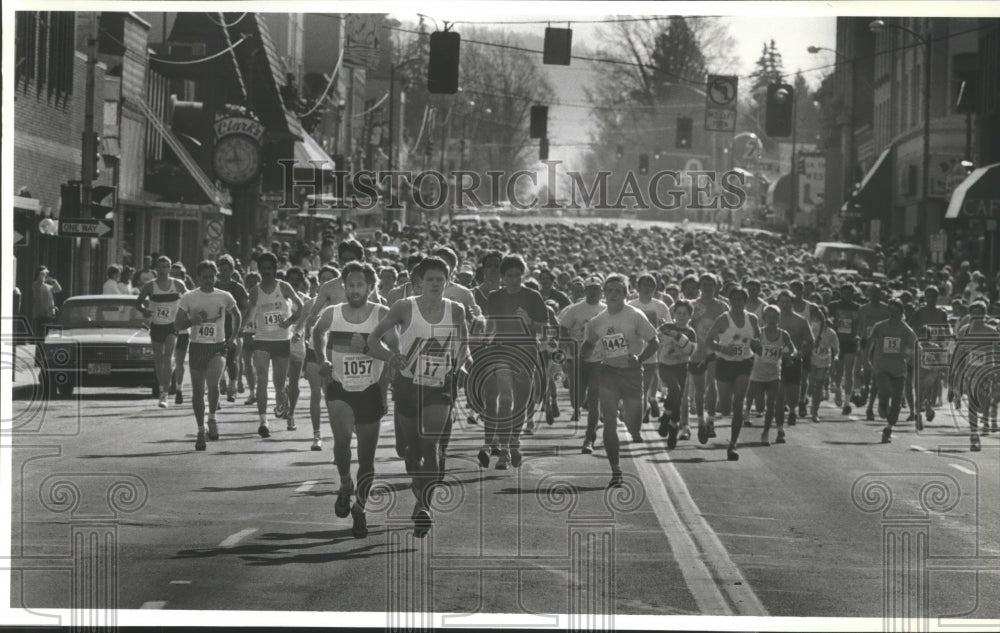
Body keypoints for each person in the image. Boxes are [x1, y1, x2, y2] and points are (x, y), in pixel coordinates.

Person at [367, 256, 468, 538]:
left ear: (447, 281)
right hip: (408, 385)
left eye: (440, 279)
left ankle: (424, 507)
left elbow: (463, 346)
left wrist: (460, 368)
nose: (436, 284)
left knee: (431, 445)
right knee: (410, 453)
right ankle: (419, 486)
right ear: (419, 282)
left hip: (439, 386)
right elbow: (372, 341)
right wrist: (392, 358)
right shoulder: (403, 307)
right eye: (430, 279)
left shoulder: (456, 310)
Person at [314, 261, 391, 538]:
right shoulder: (333, 313)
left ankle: (361, 508)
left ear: (370, 288)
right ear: (344, 286)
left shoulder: (382, 315)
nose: (354, 290)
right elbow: (317, 332)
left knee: (367, 460)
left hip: (369, 390)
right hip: (339, 387)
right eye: (350, 285)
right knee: (343, 442)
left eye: (360, 285)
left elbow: (396, 352)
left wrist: (370, 349)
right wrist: (322, 358)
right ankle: (345, 483)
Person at [580, 273, 658, 488]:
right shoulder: (598, 321)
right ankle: (616, 469)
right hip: (608, 373)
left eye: (618, 290)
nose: (613, 294)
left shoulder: (635, 315)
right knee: (610, 423)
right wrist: (581, 355)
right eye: (610, 290)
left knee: (634, 425)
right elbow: (589, 344)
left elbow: (654, 341)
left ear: (625, 293)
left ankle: (628, 413)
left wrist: (640, 359)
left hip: (632, 373)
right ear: (605, 293)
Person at [482, 254, 549, 470]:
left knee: (520, 402)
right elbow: (490, 324)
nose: (514, 279)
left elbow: (544, 329)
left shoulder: (533, 296)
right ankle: (503, 452)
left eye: (518, 275)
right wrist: (482, 343)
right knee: (506, 398)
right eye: (509, 275)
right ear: (502, 277)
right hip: (501, 351)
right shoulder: (495, 297)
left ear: (524, 275)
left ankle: (514, 442)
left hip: (526, 352)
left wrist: (529, 321)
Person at [174, 260, 241, 450]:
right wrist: (191, 321)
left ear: (216, 276)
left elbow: (237, 314)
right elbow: (177, 325)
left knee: (213, 384)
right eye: (205, 277)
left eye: (212, 277)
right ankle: (200, 430)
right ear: (198, 278)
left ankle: (212, 417)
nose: (209, 280)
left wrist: (233, 337)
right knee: (197, 392)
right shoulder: (189, 297)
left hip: (217, 347)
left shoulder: (224, 296)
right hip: (197, 347)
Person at [246, 251, 304, 438]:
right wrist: (241, 330)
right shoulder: (255, 291)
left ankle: (281, 397)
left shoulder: (284, 287)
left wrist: (289, 322)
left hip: (281, 340)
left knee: (279, 382)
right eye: (263, 269)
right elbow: (250, 313)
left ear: (275, 269)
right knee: (262, 379)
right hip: (262, 339)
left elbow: (301, 306)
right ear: (259, 270)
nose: (266, 272)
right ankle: (263, 421)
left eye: (270, 269)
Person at [704, 286, 759, 461]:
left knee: (738, 404)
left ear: (745, 301)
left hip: (744, 363)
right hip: (724, 363)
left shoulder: (753, 319)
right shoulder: (723, 319)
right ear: (729, 301)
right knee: (726, 407)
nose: (737, 303)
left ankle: (733, 444)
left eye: (740, 300)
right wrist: (722, 348)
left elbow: (756, 341)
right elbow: (708, 341)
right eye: (733, 299)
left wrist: (760, 347)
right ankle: (709, 420)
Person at [558, 276, 605, 449]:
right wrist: (567, 346)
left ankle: (589, 437)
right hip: (578, 359)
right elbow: (563, 328)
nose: (593, 291)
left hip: (599, 360)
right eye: (590, 288)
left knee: (594, 397)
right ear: (585, 291)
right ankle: (580, 402)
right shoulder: (575, 309)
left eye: (596, 288)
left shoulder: (607, 309)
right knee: (576, 400)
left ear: (601, 291)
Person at [136, 256, 187, 407]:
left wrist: (183, 314)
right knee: (158, 359)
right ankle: (161, 389)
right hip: (156, 325)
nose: (163, 269)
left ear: (170, 269)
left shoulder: (177, 284)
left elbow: (189, 298)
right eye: (161, 266)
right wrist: (144, 311)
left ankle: (165, 394)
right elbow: (138, 303)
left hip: (172, 325)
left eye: (166, 266)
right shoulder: (150, 286)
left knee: (167, 357)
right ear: (156, 269)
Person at [866, 299, 917, 444]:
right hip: (881, 366)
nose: (894, 314)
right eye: (891, 311)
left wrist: (905, 353)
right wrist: (866, 359)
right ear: (888, 311)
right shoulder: (880, 327)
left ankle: (888, 428)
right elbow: (870, 341)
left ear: (902, 313)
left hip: (898, 369)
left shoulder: (906, 330)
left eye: (897, 312)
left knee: (896, 401)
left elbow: (913, 346)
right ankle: (882, 402)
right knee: (885, 390)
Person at [748, 305, 797, 446]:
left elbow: (793, 349)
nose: (772, 319)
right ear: (764, 318)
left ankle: (766, 432)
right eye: (769, 317)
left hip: (774, 374)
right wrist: (756, 349)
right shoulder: (760, 332)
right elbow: (751, 346)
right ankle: (762, 417)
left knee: (772, 404)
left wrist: (788, 356)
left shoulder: (783, 334)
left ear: (779, 319)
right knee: (759, 406)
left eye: (775, 317)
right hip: (757, 374)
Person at [629, 273, 672, 424]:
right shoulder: (631, 305)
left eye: (651, 285)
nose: (648, 288)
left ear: (655, 288)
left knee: (643, 387)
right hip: (633, 351)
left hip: (652, 351)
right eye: (645, 285)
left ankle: (638, 423)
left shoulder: (660, 306)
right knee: (634, 389)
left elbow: (670, 327)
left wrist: (662, 333)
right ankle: (645, 406)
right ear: (638, 287)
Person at [656, 300, 697, 449]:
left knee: (677, 399)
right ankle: (668, 419)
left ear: (690, 316)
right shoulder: (666, 327)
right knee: (675, 390)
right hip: (665, 365)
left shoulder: (691, 332)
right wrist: (661, 331)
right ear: (673, 314)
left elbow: (691, 351)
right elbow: (656, 338)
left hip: (681, 367)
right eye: (678, 313)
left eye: (684, 314)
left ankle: (671, 425)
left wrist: (677, 336)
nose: (681, 316)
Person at [776, 291, 814, 434]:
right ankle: (780, 422)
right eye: (782, 302)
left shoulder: (801, 321)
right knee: (779, 392)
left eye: (787, 302)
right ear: (778, 302)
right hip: (776, 360)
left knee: (793, 393)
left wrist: (800, 353)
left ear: (792, 303)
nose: (785, 305)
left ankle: (792, 410)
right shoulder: (773, 319)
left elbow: (811, 341)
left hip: (794, 360)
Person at [215, 255, 250, 403]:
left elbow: (246, 307)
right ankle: (220, 381)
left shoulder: (237, 288)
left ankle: (232, 387)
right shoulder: (214, 286)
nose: (223, 273)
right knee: (215, 358)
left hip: (233, 327)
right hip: (216, 327)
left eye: (226, 270)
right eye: (221, 270)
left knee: (231, 359)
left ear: (231, 270)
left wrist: (240, 324)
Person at [282, 267, 311, 434]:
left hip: (298, 343)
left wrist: (299, 332)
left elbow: (306, 322)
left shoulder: (306, 300)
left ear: (301, 282)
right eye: (290, 279)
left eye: (296, 280)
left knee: (293, 382)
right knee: (281, 380)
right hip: (280, 341)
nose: (293, 282)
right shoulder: (280, 299)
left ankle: (291, 414)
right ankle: (283, 398)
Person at [827, 283, 862, 414]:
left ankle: (847, 402)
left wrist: (858, 335)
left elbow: (861, 324)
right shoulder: (833, 306)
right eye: (844, 293)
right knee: (838, 370)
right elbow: (827, 321)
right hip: (837, 341)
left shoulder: (858, 308)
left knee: (849, 371)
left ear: (853, 294)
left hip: (851, 342)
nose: (847, 295)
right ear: (840, 293)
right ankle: (837, 391)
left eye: (849, 293)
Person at [809, 307, 840, 422]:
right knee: (810, 384)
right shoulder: (812, 328)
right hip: (811, 359)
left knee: (819, 385)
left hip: (824, 360)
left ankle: (815, 411)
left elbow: (836, 347)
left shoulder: (831, 333)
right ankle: (806, 397)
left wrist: (836, 356)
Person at [169, 262, 194, 404]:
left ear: (184, 278)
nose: (174, 277)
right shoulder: (165, 290)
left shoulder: (188, 295)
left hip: (182, 332)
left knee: (179, 363)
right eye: (172, 274)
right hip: (167, 330)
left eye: (177, 275)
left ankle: (178, 390)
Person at [241, 272, 260, 406]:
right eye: (250, 283)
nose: (252, 285)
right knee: (247, 364)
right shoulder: (244, 300)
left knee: (259, 366)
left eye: (255, 282)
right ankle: (252, 393)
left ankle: (260, 390)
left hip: (261, 336)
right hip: (247, 334)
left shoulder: (264, 299)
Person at [31, 266, 61, 343]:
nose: (44, 276)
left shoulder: (47, 286)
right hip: (40, 314)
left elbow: (58, 289)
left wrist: (54, 282)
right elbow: (37, 295)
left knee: (46, 335)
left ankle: (43, 352)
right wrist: (41, 277)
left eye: (45, 274)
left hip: (49, 313)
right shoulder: (36, 285)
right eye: (42, 274)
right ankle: (39, 353)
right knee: (40, 335)